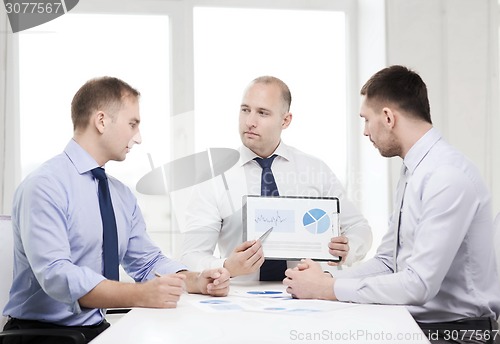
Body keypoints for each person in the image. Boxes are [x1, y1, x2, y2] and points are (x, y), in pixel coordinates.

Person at [2, 76, 230, 343]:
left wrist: (196, 280)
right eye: (133, 124)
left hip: (95, 330)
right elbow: (57, 275)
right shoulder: (44, 186)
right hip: (41, 336)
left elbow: (148, 263)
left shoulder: (119, 195)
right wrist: (141, 294)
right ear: (101, 121)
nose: (139, 137)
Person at [283, 65, 500, 343]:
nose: (364, 132)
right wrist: (324, 278)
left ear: (387, 117)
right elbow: (388, 262)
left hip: (458, 333)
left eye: (366, 120)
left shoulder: (447, 176)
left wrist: (329, 288)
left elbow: (418, 284)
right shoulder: (415, 170)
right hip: (420, 324)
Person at [180, 76, 372, 281]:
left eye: (262, 113)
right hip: (240, 301)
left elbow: (360, 228)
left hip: (310, 299)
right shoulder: (215, 178)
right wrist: (226, 266)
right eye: (245, 110)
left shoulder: (315, 170)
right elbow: (190, 256)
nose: (249, 122)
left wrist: (348, 248)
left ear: (285, 120)